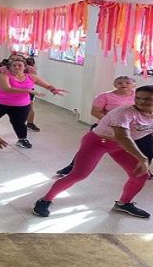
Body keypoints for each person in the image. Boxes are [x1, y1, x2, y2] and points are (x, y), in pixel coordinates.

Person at [32, 85, 153, 219]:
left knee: (140, 176)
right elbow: (122, 137)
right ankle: (45, 200)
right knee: (79, 174)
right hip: (97, 142)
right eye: (138, 98)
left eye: (148, 99)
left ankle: (124, 203)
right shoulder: (124, 112)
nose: (141, 102)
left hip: (120, 146)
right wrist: (142, 158)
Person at [55, 76, 151, 176]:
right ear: (115, 85)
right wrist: (114, 124)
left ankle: (144, 169)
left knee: (147, 148)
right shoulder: (104, 96)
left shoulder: (140, 96)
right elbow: (95, 112)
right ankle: (71, 168)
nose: (124, 84)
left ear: (134, 84)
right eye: (120, 83)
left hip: (139, 129)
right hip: (108, 128)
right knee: (86, 150)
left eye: (127, 82)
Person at [0, 58, 66, 149]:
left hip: (21, 106)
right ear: (9, 67)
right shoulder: (3, 76)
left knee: (19, 123)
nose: (17, 67)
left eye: (20, 65)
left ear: (25, 67)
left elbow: (47, 85)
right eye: (14, 65)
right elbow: (7, 89)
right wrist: (29, 91)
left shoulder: (31, 77)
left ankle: (22, 139)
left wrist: (54, 89)